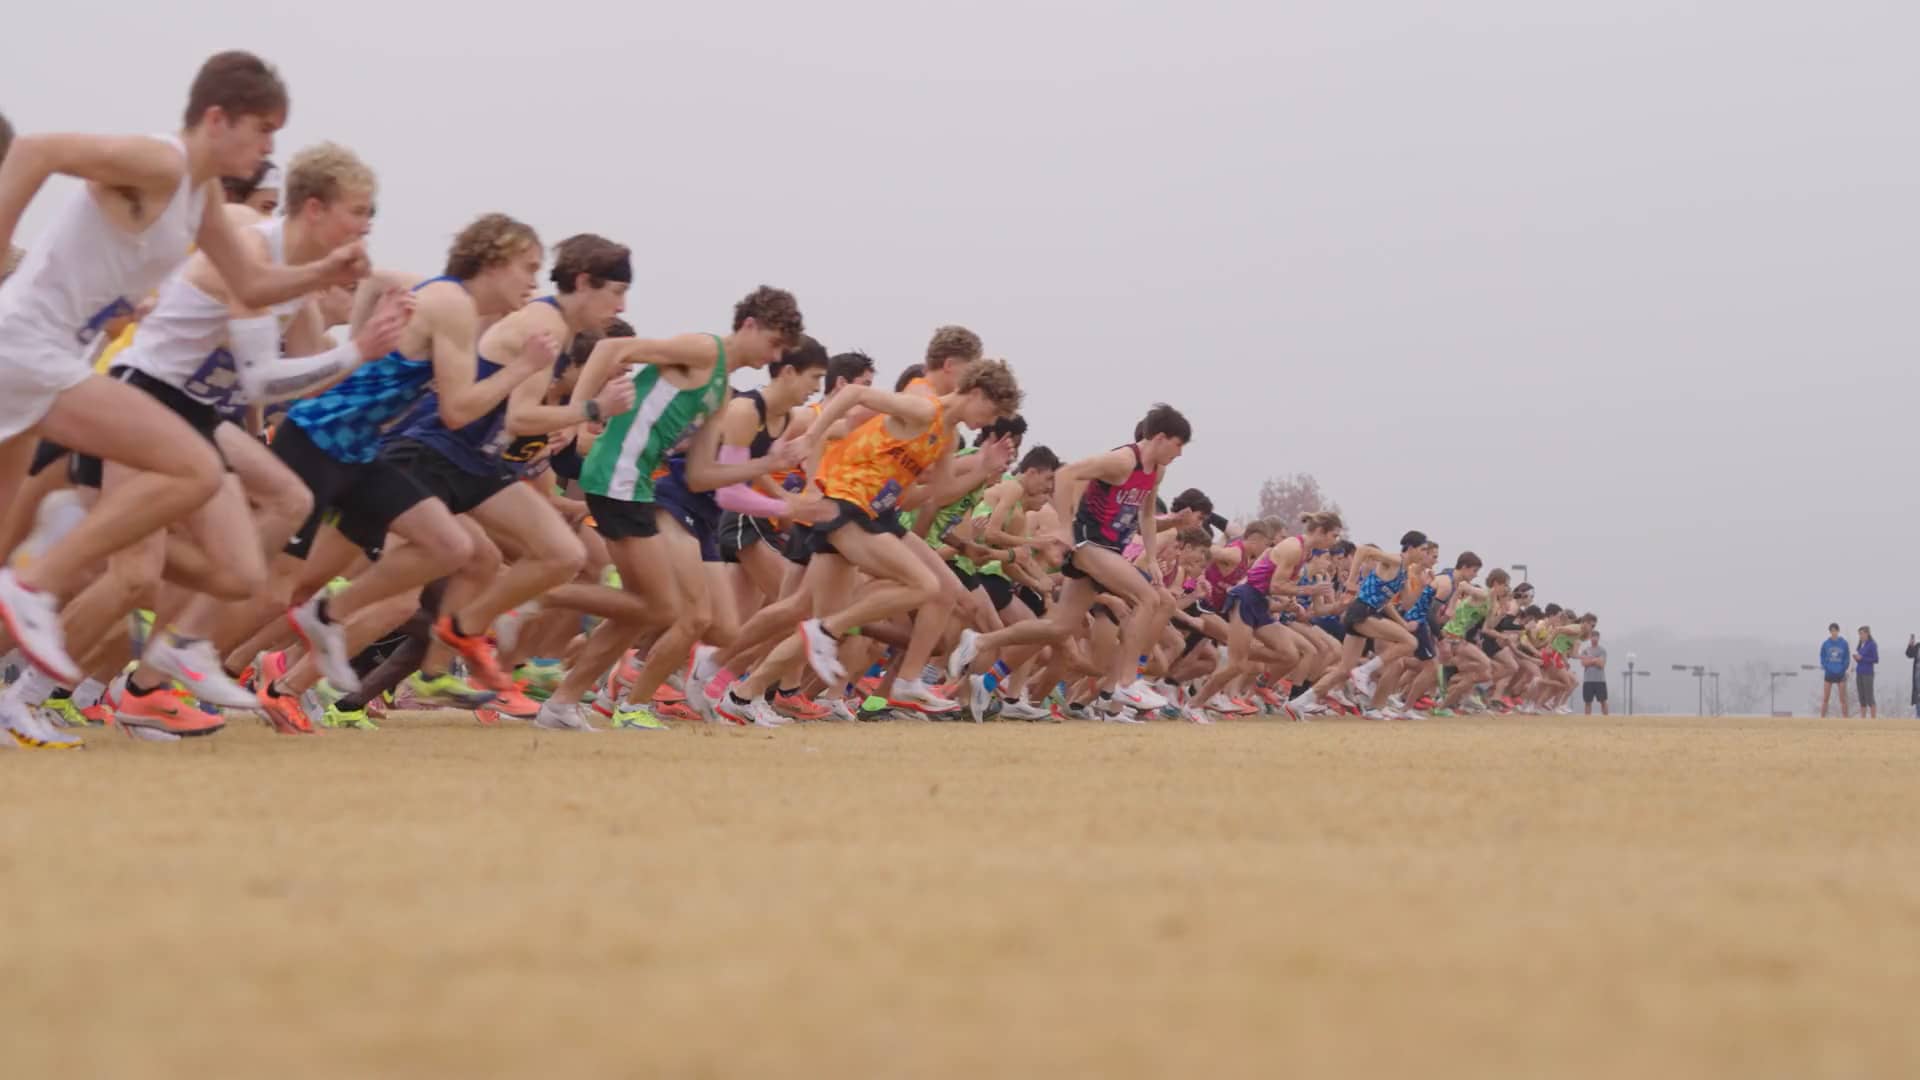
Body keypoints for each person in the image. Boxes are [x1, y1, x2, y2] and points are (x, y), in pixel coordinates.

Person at [0, 53, 367, 692]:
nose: (268, 146)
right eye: (262, 128)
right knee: (192, 467)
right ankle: (37, 581)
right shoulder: (161, 162)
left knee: (4, 535)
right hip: (28, 347)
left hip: (44, 358)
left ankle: (31, 574)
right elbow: (33, 149)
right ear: (217, 119)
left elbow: (251, 282)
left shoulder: (197, 202)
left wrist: (321, 272)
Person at [1819, 623, 1850, 718]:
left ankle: (1845, 718)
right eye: (1831, 631)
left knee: (1843, 699)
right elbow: (1822, 657)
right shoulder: (1826, 644)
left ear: (1838, 631)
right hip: (1829, 673)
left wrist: (1843, 668)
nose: (1833, 633)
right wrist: (1826, 666)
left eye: (1835, 630)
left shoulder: (1844, 643)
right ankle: (1822, 718)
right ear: (1830, 632)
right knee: (1825, 698)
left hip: (1840, 674)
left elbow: (1847, 658)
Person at [1578, 628, 1608, 716]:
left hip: (1600, 680)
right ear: (1590, 638)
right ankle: (1587, 719)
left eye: (1596, 637)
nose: (1594, 639)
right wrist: (1595, 660)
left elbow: (1602, 664)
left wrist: (1591, 660)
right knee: (1588, 701)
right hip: (1588, 680)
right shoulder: (1585, 650)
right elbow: (1584, 663)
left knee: (1603, 700)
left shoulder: (1602, 650)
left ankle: (1606, 718)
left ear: (1598, 638)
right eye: (1592, 637)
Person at [1855, 626, 1878, 719]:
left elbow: (1875, 659)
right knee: (1862, 697)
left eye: (1862, 633)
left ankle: (1873, 719)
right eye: (1859, 634)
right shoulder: (1861, 645)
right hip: (1859, 672)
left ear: (1867, 633)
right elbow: (1859, 659)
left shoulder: (1872, 644)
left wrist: (1862, 658)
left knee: (1869, 696)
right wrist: (1856, 658)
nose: (1860, 636)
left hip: (1868, 673)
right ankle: (1863, 718)